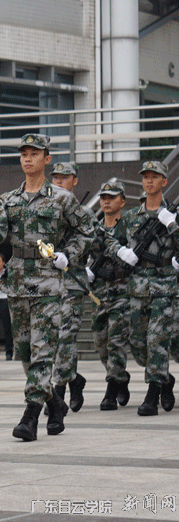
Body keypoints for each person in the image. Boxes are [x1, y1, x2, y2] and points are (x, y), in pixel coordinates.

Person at [0, 134, 93, 441]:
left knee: (43, 351)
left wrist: (69, 255)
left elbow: (86, 231)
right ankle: (54, 403)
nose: (27, 158)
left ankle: (30, 416)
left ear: (46, 159)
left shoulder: (62, 198)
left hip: (49, 280)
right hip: (17, 282)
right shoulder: (9, 199)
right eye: (24, 153)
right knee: (25, 352)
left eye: (34, 153)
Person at [106, 161, 179, 416]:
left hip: (165, 285)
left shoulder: (173, 215)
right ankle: (165, 379)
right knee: (138, 343)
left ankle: (152, 393)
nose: (149, 180)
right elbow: (110, 240)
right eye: (145, 176)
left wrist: (172, 224)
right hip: (137, 286)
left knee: (157, 339)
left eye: (154, 176)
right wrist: (121, 251)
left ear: (164, 182)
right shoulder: (130, 217)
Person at [49, 162, 96, 412]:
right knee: (54, 341)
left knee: (66, 336)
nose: (59, 182)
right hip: (47, 284)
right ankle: (75, 380)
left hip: (72, 282)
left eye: (64, 178)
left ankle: (57, 393)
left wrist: (72, 255)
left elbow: (93, 241)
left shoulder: (83, 212)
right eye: (55, 177)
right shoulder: (44, 210)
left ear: (74, 181)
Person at [86, 181, 131, 410]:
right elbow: (84, 252)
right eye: (103, 197)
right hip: (99, 295)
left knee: (116, 342)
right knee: (100, 343)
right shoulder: (93, 229)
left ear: (122, 201)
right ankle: (121, 378)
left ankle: (111, 389)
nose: (106, 201)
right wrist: (87, 268)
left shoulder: (129, 228)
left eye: (112, 197)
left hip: (123, 293)